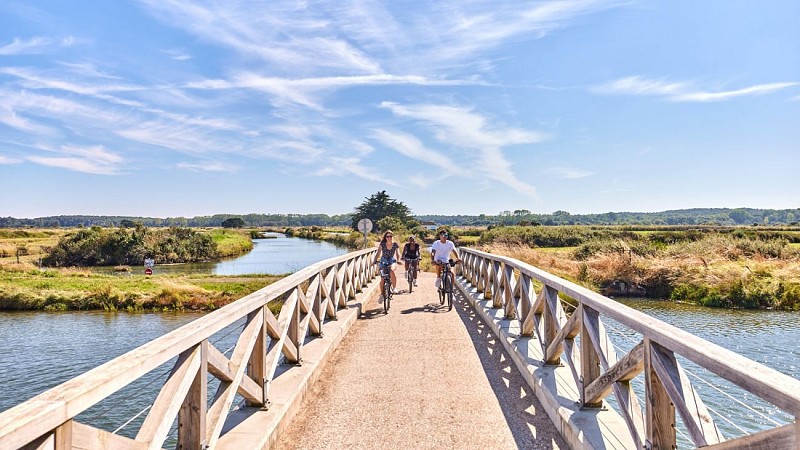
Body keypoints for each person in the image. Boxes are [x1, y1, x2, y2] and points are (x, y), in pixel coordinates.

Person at [374, 230, 403, 296]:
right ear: (385, 237)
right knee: (382, 278)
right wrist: (374, 260)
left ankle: (394, 287)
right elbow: (378, 253)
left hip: (392, 260)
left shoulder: (395, 244)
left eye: (390, 236)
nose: (389, 238)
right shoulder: (382, 244)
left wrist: (398, 260)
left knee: (392, 270)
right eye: (387, 236)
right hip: (383, 261)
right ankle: (382, 294)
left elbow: (398, 253)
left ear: (392, 237)